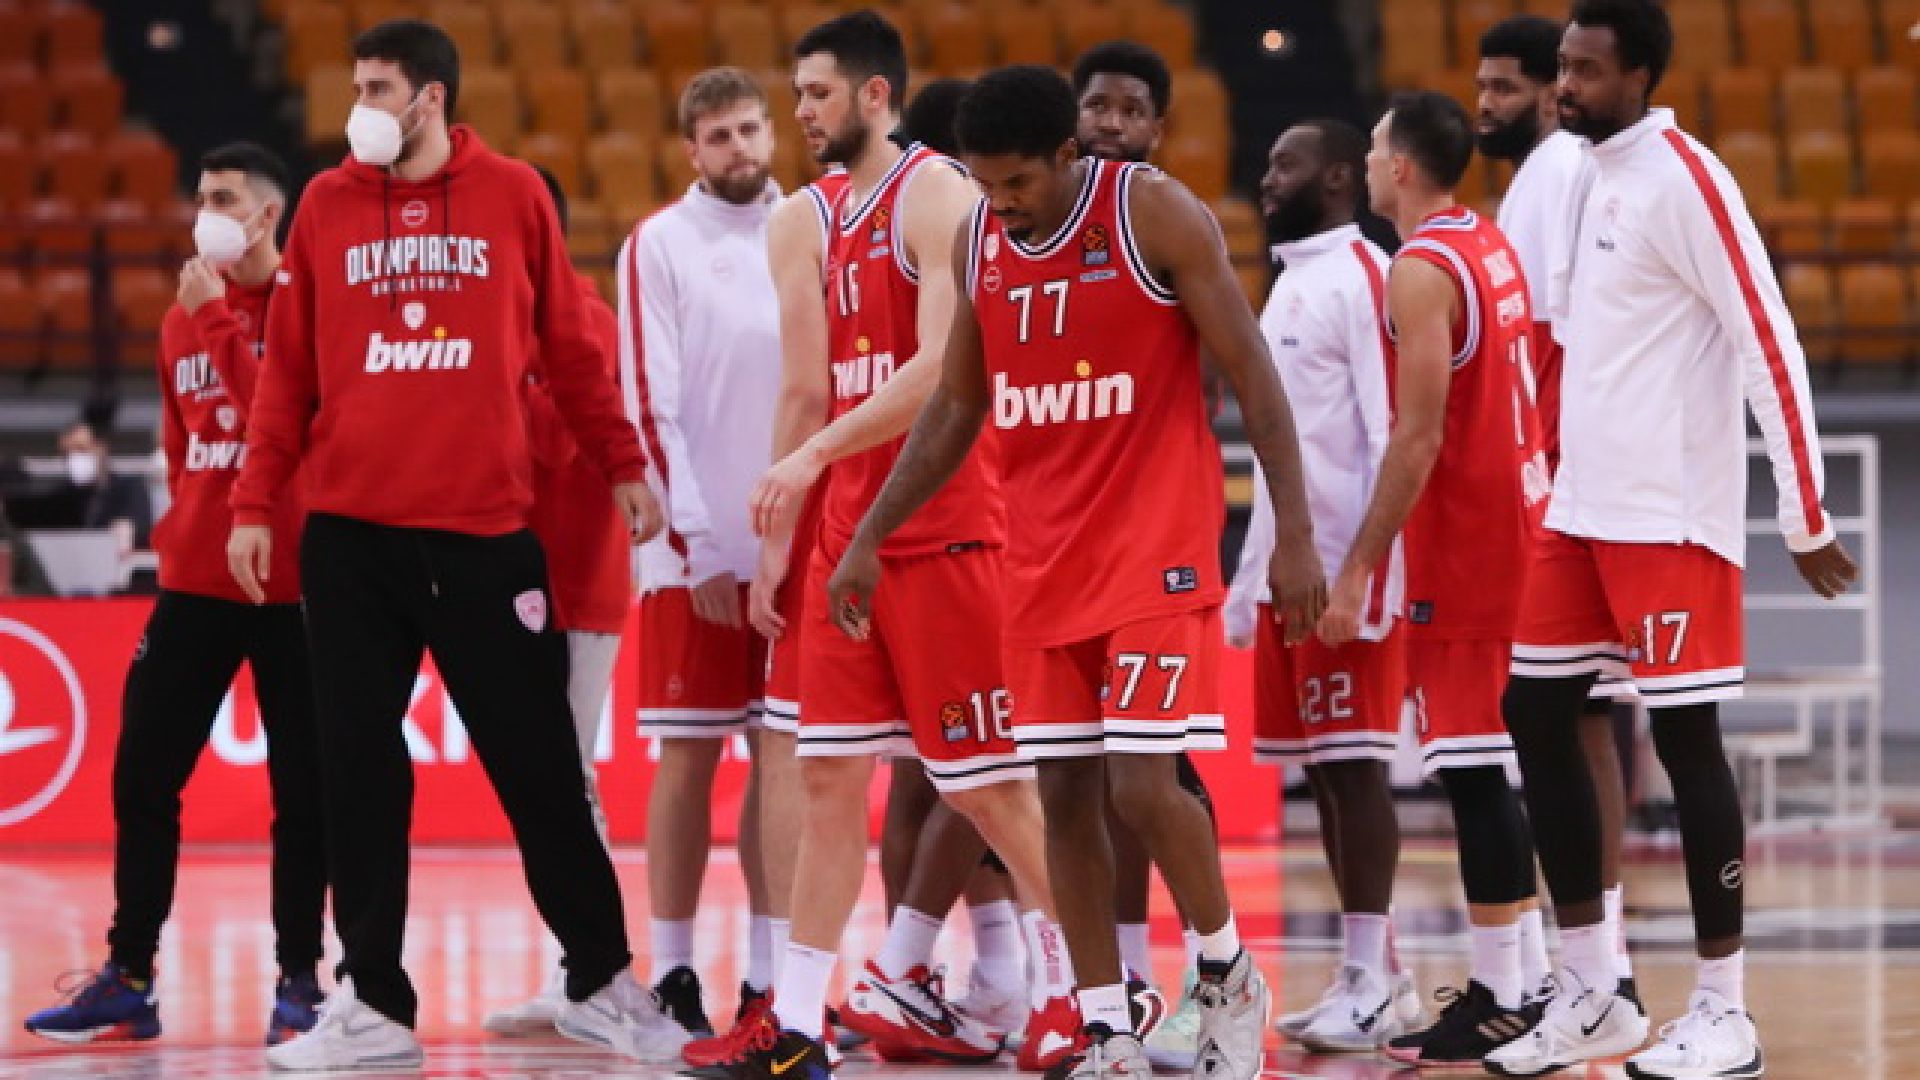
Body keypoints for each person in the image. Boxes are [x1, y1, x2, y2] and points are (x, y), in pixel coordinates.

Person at [830, 65, 1326, 1079]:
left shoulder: (1153, 214)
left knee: (1140, 785)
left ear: (1067, 154)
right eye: (984, 183)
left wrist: (1296, 536)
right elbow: (955, 406)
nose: (999, 201)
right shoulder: (978, 239)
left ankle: (1227, 972)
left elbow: (1254, 374)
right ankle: (1107, 1028)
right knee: (1062, 799)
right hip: (1041, 562)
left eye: (1016, 182)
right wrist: (870, 533)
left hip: (1155, 554)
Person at [227, 19, 683, 1071]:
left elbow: (572, 352)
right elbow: (287, 375)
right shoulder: (326, 205)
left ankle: (599, 980)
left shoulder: (514, 195)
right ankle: (374, 1005)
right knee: (357, 775)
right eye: (357, 86)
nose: (359, 107)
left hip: (483, 537)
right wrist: (254, 503)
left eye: (376, 88)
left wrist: (622, 465)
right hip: (351, 540)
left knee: (540, 770)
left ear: (430, 97)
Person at [1489, 2, 1855, 1076]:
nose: (1566, 86)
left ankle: (1725, 1009)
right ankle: (1594, 990)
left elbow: (1767, 338)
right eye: (1562, 67)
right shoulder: (1586, 175)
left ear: (1642, 75)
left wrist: (1803, 510)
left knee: (1687, 741)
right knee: (1533, 710)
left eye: (1587, 70)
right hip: (1582, 508)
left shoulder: (1688, 179)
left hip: (1668, 513)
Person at [711, 14, 1072, 1077]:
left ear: (876, 95)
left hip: (949, 531)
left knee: (986, 787)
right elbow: (803, 388)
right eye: (796, 94)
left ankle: (1083, 994)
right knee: (826, 780)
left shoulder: (938, 193)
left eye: (817, 93)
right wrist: (781, 535)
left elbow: (944, 371)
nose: (801, 112)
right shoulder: (802, 219)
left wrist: (815, 453)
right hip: (845, 544)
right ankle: (799, 1023)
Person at [23, 142, 329, 1048]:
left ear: (268, 214)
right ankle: (129, 975)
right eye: (200, 198)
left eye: (223, 199)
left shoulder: (311, 306)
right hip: (196, 580)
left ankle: (300, 980)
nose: (205, 215)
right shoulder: (178, 320)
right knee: (142, 776)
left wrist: (215, 323)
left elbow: (287, 426)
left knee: (303, 792)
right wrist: (186, 527)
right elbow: (181, 446)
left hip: (295, 586)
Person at [1329, 91, 1551, 1068]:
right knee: (1496, 765)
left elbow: (1416, 438)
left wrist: (1357, 566)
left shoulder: (1419, 270)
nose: (1367, 163)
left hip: (1471, 548)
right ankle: (1531, 980)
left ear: (1402, 168)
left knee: (1473, 770)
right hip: (1522, 527)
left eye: (1376, 147)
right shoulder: (1487, 242)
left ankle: (1503, 993)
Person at [1225, 118, 1425, 1055]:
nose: (1267, 177)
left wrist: (1364, 578)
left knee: (1355, 770)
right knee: (1328, 778)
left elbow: (1393, 437)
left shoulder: (1365, 278)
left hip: (1347, 571)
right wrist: (1247, 581)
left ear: (1341, 177)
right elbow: (1284, 456)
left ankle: (1372, 979)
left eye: (1286, 162)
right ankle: (1376, 976)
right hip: (1292, 580)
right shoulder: (1289, 283)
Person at [1475, 10, 1640, 1014]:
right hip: (1549, 468)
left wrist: (1554, 469)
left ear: (1551, 92)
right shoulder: (1537, 178)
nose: (1484, 104)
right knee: (1568, 711)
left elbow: (1567, 338)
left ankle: (1602, 962)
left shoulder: (1568, 169)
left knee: (1580, 710)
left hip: (1572, 472)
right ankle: (1590, 962)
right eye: (1481, 86)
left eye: (1504, 87)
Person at [623, 67, 784, 1039]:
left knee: (783, 758)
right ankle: (676, 970)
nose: (739, 148)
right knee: (686, 756)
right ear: (691, 149)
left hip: (792, 552)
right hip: (697, 557)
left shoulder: (811, 229)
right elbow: (652, 404)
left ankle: (771, 977)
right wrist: (701, 549)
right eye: (719, 135)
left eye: (750, 129)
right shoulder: (660, 242)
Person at [479, 162, 636, 1033]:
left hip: (575, 583)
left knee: (566, 781)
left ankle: (592, 974)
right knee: (549, 781)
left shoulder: (584, 322)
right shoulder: (505, 318)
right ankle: (579, 969)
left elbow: (555, 442)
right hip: (512, 582)